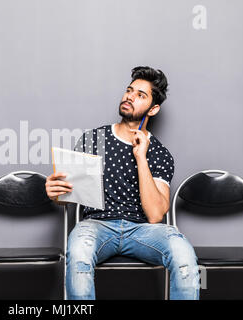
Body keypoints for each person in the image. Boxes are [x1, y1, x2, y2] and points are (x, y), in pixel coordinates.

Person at [45, 66, 200, 300]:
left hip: (143, 230)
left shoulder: (159, 154)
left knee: (183, 254)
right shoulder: (93, 139)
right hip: (96, 226)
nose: (129, 96)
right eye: (129, 90)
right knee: (78, 254)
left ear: (154, 108)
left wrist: (141, 157)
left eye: (140, 95)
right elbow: (67, 195)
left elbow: (156, 215)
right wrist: (55, 193)